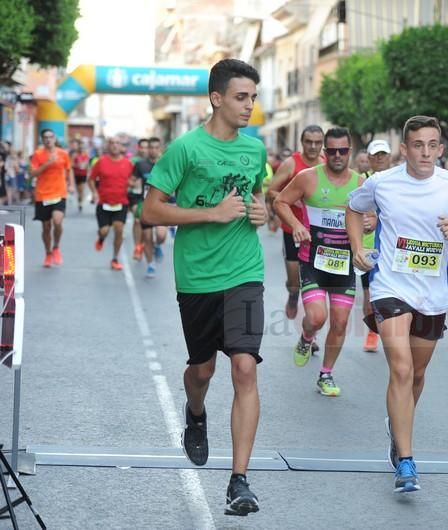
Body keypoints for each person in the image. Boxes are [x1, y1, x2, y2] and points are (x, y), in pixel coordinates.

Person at [141, 58, 267, 516]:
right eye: (241, 97)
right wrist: (209, 214)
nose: (249, 105)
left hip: (244, 274)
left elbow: (259, 194)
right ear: (216, 98)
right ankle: (195, 411)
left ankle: (239, 481)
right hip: (196, 277)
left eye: (253, 97)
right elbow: (151, 212)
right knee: (202, 371)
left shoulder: (254, 151)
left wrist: (263, 212)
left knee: (245, 368)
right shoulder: (185, 149)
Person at [347, 115, 448, 493]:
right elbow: (352, 207)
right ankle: (407, 462)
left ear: (440, 149)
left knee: (418, 373)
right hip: (390, 287)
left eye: (432, 145)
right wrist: (359, 247)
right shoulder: (382, 183)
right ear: (404, 148)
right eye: (417, 145)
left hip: (432, 293)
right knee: (401, 368)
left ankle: (399, 426)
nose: (425, 152)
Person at [273, 127, 362, 396]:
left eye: (342, 151)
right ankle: (306, 338)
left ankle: (326, 374)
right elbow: (280, 201)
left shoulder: (360, 184)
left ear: (350, 152)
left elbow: (370, 217)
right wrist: (296, 224)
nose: (337, 155)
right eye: (332, 150)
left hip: (344, 262)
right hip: (313, 259)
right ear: (325, 152)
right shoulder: (307, 178)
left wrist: (369, 223)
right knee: (317, 316)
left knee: (340, 322)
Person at [267, 125, 325, 321]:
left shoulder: (325, 164)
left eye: (317, 142)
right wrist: (291, 198)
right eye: (309, 141)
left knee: (314, 283)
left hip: (317, 232)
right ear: (302, 142)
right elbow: (271, 192)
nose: (313, 146)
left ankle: (310, 329)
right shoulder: (291, 163)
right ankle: (292, 295)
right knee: (295, 282)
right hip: (291, 229)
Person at [361, 139, 392, 353]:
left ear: (390, 157)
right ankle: (373, 332)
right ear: (369, 158)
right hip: (368, 247)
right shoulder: (360, 182)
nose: (380, 158)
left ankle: (393, 331)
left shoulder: (399, 183)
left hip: (391, 248)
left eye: (384, 154)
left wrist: (378, 221)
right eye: (376, 155)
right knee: (369, 294)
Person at [30, 128, 75, 267]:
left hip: (59, 193)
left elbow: (69, 169)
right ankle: (48, 253)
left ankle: (56, 247)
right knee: (46, 227)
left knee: (57, 221)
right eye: (46, 137)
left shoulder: (63, 154)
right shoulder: (37, 155)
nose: (48, 139)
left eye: (51, 137)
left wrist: (71, 184)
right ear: (42, 140)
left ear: (55, 139)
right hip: (42, 195)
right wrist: (48, 163)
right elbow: (33, 173)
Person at [89, 136, 134, 270]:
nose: (114, 145)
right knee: (104, 231)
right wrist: (94, 192)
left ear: (121, 147)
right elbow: (91, 179)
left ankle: (115, 258)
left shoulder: (128, 163)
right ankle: (101, 238)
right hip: (104, 202)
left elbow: (133, 180)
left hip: (121, 202)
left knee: (119, 229)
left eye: (117, 143)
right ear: (108, 146)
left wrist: (132, 184)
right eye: (112, 143)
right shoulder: (101, 162)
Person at [133, 137, 167, 278]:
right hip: (146, 204)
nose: (152, 150)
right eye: (150, 147)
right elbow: (132, 180)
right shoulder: (141, 165)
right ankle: (150, 264)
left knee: (160, 235)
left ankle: (158, 246)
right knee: (147, 237)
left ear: (160, 149)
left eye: (155, 147)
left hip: (161, 205)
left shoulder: (167, 164)